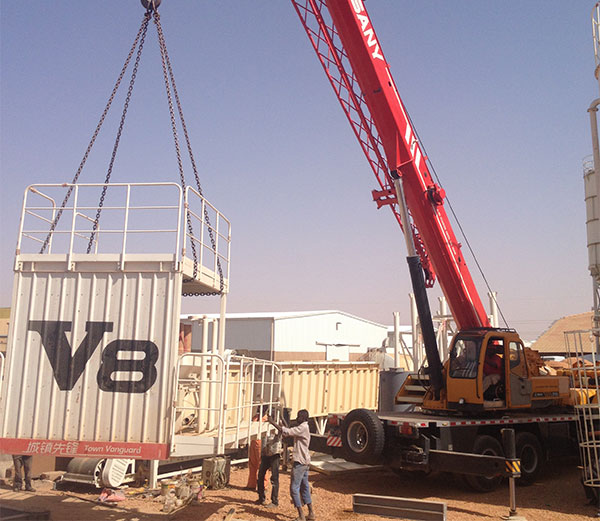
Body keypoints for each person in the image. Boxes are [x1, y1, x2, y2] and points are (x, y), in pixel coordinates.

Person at [269, 409, 315, 521]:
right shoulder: (304, 427)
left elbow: (287, 432)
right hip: (305, 462)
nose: (297, 419)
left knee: (294, 488)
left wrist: (272, 422)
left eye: (299, 417)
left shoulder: (302, 428)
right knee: (304, 487)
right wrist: (281, 420)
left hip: (300, 462)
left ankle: (301, 515)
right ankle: (311, 513)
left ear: (303, 418)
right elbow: (289, 430)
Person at [256, 429, 282, 508]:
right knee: (260, 475)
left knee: (274, 478)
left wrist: (273, 422)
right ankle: (261, 498)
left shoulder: (279, 419)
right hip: (265, 452)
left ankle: (274, 501)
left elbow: (283, 428)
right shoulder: (263, 420)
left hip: (275, 452)